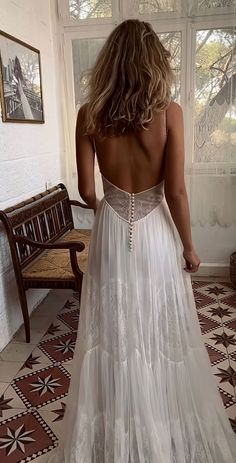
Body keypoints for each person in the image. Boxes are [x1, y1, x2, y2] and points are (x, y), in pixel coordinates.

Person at [49, 19, 236, 462]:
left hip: (113, 228)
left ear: (110, 61)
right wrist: (190, 247)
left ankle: (120, 422)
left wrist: (108, 209)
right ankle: (161, 417)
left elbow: (87, 189)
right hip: (155, 231)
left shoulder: (89, 113)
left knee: (114, 328)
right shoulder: (169, 112)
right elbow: (175, 191)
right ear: (154, 61)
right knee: (158, 326)